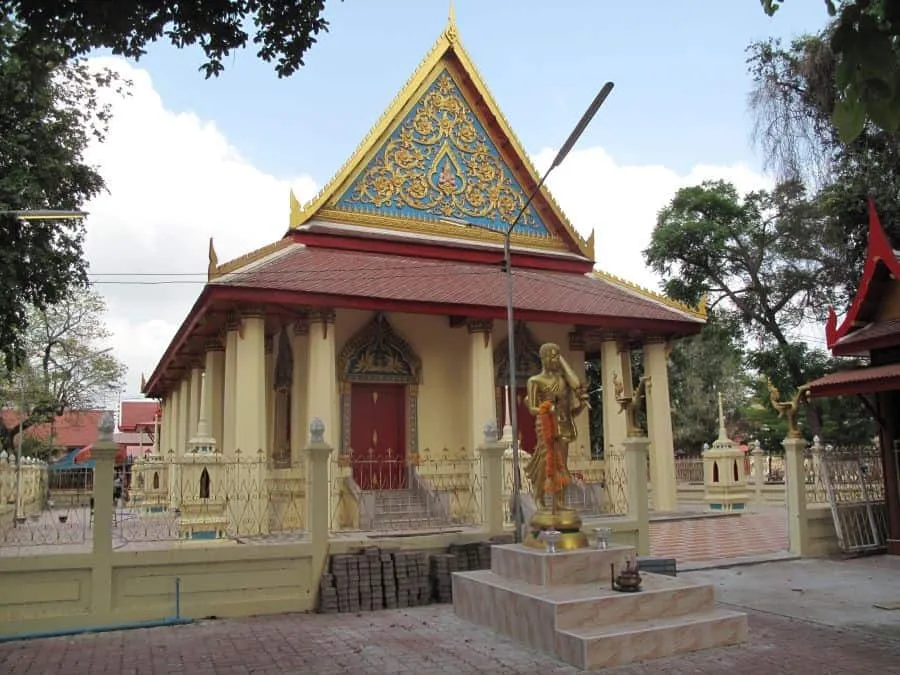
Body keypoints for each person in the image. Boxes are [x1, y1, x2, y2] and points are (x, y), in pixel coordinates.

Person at [524, 343, 590, 512]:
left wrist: (581, 406)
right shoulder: (535, 381)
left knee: (562, 465)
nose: (555, 360)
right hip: (546, 423)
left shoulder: (563, 381)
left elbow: (570, 408)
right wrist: (547, 409)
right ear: (544, 358)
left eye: (557, 356)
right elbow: (532, 408)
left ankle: (559, 501)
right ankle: (538, 497)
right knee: (546, 461)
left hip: (563, 424)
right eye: (553, 356)